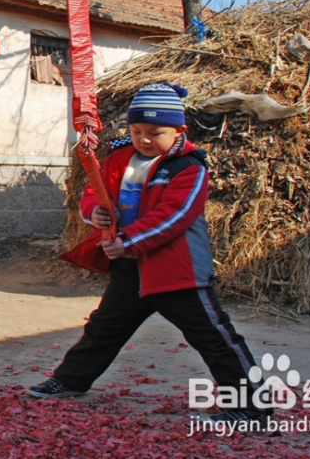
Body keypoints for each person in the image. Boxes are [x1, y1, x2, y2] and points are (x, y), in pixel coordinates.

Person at [28, 82, 271, 426]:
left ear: (178, 130)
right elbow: (94, 192)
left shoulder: (189, 166)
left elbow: (173, 217)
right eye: (136, 130)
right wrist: (93, 212)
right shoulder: (119, 158)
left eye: (155, 132)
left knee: (214, 337)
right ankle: (70, 380)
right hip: (130, 268)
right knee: (104, 328)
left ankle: (252, 407)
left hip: (178, 271)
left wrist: (127, 240)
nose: (143, 139)